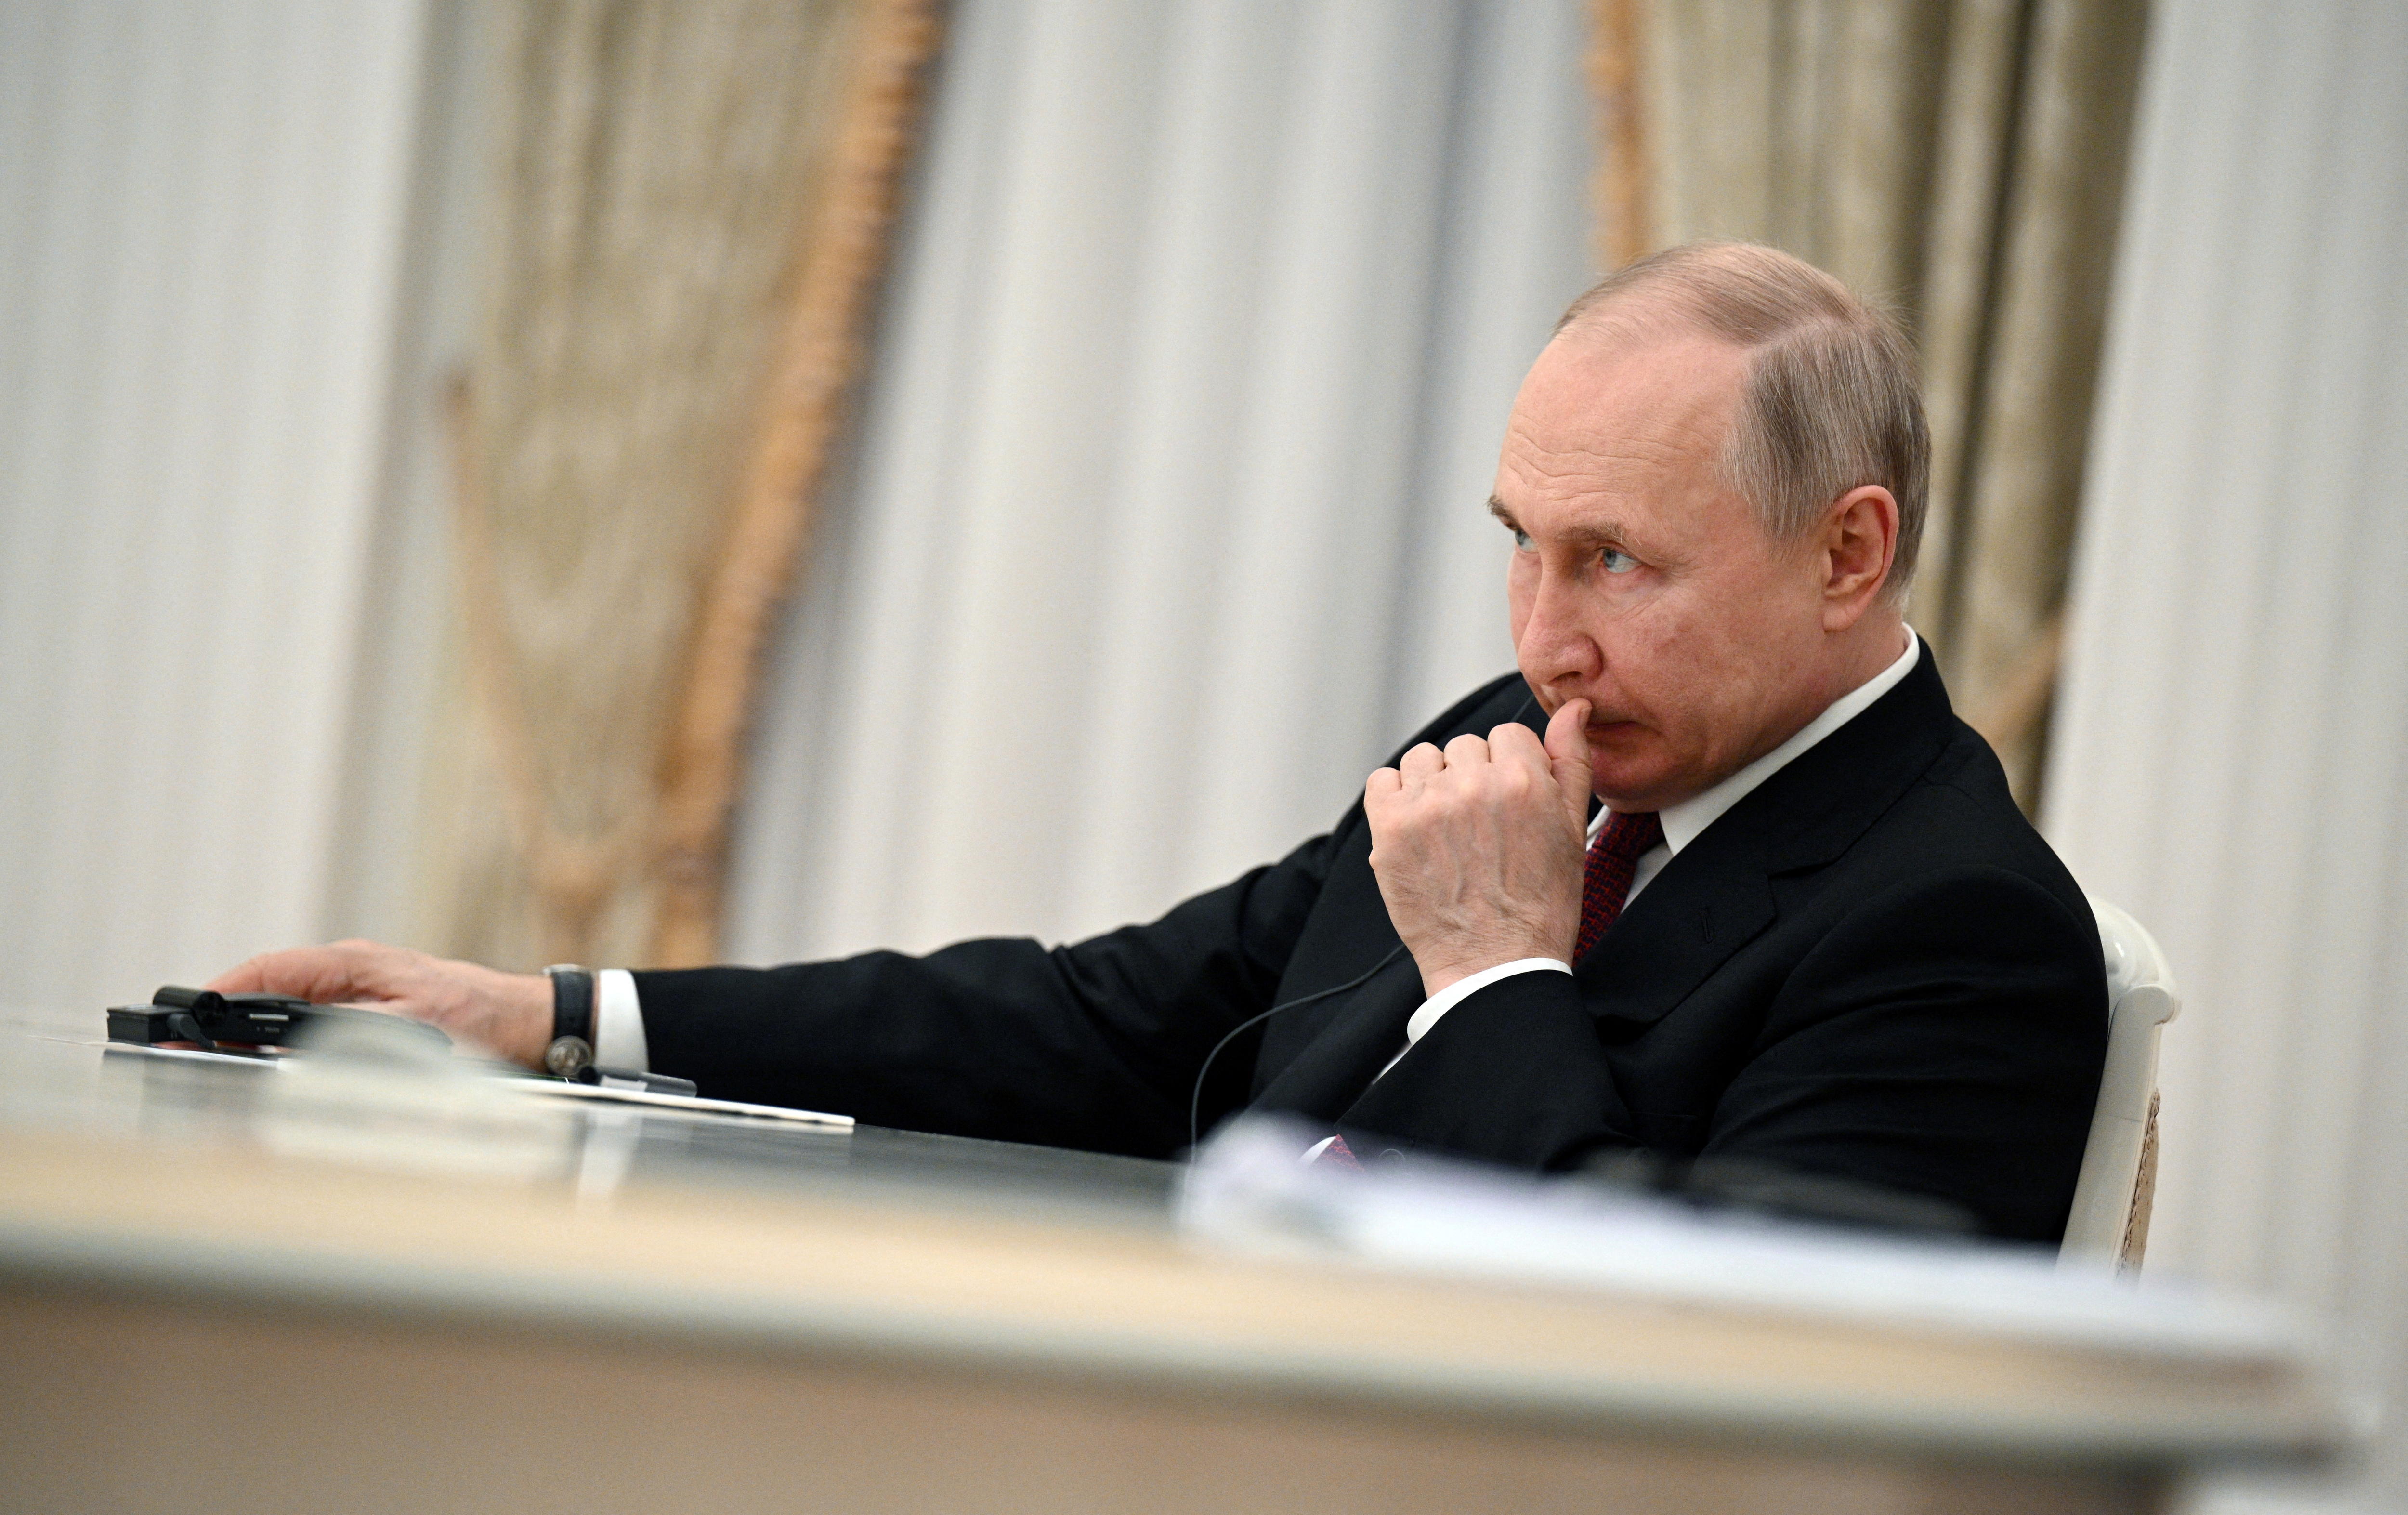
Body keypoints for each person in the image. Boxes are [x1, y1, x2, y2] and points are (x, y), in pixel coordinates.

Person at [211, 243, 2107, 1243]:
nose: (1539, 639)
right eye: (1518, 549)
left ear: (1846, 549)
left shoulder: (1956, 927)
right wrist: (550, 1015)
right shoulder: (1524, 737)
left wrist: (1488, 982)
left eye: (1612, 561)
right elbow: (1113, 1022)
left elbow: (1728, 1374)